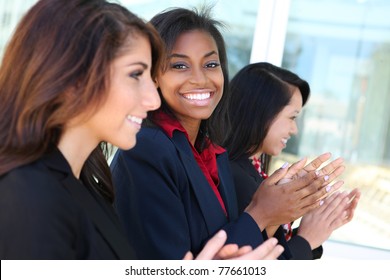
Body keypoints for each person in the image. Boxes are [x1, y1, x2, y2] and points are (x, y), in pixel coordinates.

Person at [0, 0, 284, 260]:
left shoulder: (87, 186)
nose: (152, 98)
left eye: (211, 64)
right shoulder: (28, 195)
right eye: (136, 74)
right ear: (72, 76)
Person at [111, 7, 336, 260]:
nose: (200, 79)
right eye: (180, 65)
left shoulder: (212, 153)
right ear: (153, 75)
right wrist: (261, 213)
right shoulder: (146, 148)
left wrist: (278, 210)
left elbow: (234, 248)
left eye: (211, 64)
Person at [222, 62, 361, 259]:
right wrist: (307, 238)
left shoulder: (249, 172)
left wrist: (310, 224)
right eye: (292, 117)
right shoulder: (236, 178)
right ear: (261, 112)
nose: (294, 130)